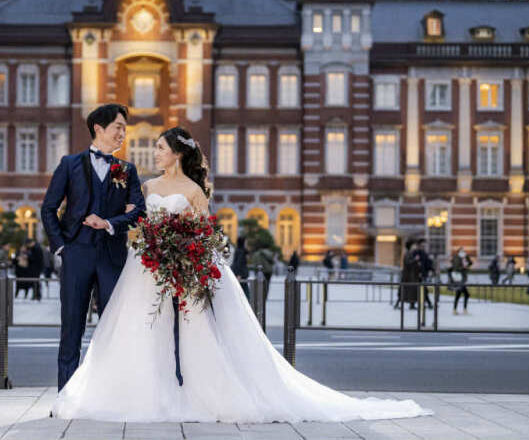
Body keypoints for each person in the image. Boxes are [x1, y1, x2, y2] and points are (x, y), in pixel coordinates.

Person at [50, 123, 430, 423]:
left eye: (161, 148)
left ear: (178, 153)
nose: (155, 152)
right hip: (148, 266)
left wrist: (184, 250)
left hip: (182, 264)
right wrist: (113, 227)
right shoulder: (145, 185)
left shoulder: (195, 190)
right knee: (140, 330)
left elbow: (202, 230)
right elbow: (135, 217)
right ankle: (137, 391)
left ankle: (198, 391)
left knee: (193, 333)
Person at [41, 104, 146, 392]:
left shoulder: (127, 169)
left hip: (113, 258)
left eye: (124, 128)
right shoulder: (69, 164)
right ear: (98, 128)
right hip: (76, 255)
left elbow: (139, 212)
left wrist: (109, 223)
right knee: (71, 328)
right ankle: (66, 396)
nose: (123, 133)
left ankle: (112, 395)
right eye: (118, 127)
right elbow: (49, 209)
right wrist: (61, 247)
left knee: (114, 329)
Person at [448, 247, 473, 314]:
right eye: (462, 251)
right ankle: (462, 310)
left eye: (464, 251)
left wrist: (466, 259)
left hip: (462, 279)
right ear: (458, 251)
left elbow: (470, 263)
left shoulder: (464, 257)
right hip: (458, 278)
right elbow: (455, 268)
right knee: (465, 294)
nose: (463, 252)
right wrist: (463, 267)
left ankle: (456, 310)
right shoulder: (456, 258)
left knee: (459, 294)